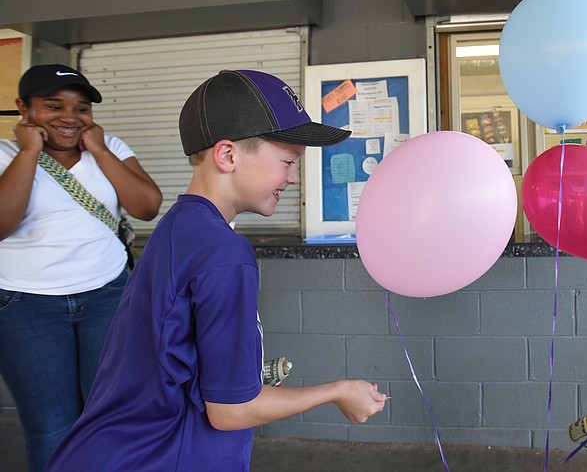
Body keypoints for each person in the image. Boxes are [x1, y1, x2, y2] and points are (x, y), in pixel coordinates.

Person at [47, 69, 387, 471]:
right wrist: (339, 390)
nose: (294, 177)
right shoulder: (224, 254)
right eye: (288, 161)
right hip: (164, 456)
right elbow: (231, 409)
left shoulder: (180, 226)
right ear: (227, 155)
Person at [0, 64, 163, 472]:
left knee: (107, 416)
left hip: (105, 297)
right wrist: (28, 152)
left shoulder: (111, 148)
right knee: (51, 427)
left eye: (81, 108)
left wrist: (102, 151)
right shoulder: (6, 155)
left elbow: (146, 207)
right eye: (53, 105)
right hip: (24, 306)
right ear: (24, 108)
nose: (69, 117)